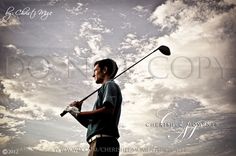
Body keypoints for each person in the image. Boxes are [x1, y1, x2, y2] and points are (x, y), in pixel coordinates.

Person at [69, 58, 122, 156]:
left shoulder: (110, 85)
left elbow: (108, 111)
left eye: (95, 71)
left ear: (105, 70)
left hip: (103, 142)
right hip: (98, 142)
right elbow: (91, 125)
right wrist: (76, 113)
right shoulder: (106, 87)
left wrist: (78, 113)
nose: (93, 75)